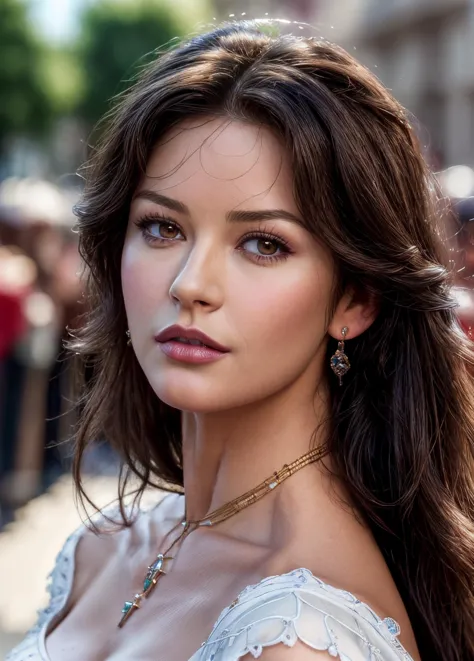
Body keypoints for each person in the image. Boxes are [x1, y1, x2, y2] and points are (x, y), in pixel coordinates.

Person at [8, 20, 474, 661]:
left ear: (356, 299)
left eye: (264, 243)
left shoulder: (300, 639)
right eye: (162, 227)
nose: (190, 284)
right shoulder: (101, 548)